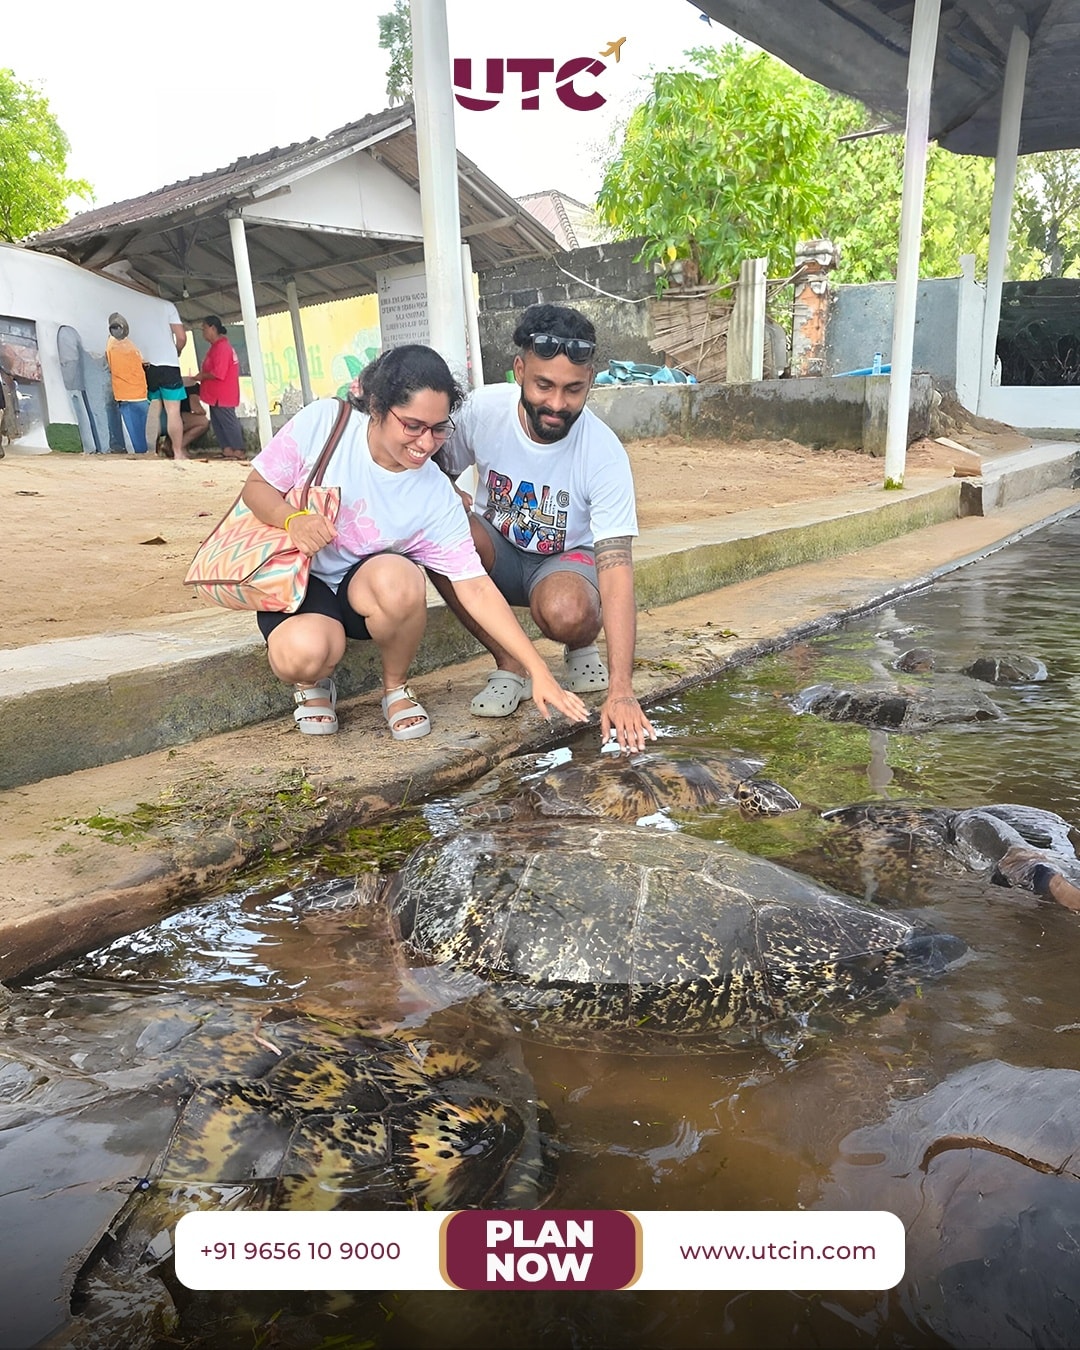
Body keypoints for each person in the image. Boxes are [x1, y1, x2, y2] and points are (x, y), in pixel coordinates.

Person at [238, 343, 589, 740]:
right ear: (377, 407)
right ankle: (312, 683)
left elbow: (475, 587)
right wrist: (293, 520)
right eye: (412, 426)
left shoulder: (435, 493)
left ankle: (396, 687)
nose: (426, 443)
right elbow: (256, 487)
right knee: (304, 654)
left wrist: (538, 670)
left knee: (401, 578)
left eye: (438, 429)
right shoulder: (324, 422)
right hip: (298, 581)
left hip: (364, 592)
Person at [432, 303, 656, 754]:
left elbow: (616, 569)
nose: (556, 404)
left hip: (566, 562)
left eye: (573, 389)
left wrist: (621, 689)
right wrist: (444, 491)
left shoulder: (604, 453)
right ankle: (509, 664)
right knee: (436, 529)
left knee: (565, 609)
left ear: (590, 380)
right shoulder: (481, 410)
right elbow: (428, 465)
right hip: (497, 550)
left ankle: (580, 644)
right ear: (520, 370)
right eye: (544, 385)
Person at [133, 300, 188, 461]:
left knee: (154, 410)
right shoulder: (168, 306)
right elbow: (181, 337)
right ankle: (177, 452)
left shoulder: (138, 307)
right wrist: (177, 350)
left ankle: (152, 451)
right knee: (173, 411)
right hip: (169, 365)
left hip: (148, 364)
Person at [193, 316, 245, 460]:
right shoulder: (216, 347)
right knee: (218, 423)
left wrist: (202, 376)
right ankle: (227, 449)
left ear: (213, 328)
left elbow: (219, 373)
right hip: (215, 394)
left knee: (228, 422)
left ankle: (238, 450)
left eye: (204, 328)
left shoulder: (222, 347)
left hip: (223, 393)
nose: (203, 332)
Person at [104, 313, 149, 453]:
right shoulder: (131, 345)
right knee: (144, 434)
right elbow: (143, 363)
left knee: (137, 439)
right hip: (140, 393)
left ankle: (142, 457)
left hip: (126, 395)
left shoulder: (111, 345)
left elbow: (110, 367)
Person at [156, 383, 210, 457]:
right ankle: (179, 446)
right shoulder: (193, 386)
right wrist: (205, 411)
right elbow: (196, 408)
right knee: (203, 422)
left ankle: (168, 443)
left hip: (159, 419)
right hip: (171, 419)